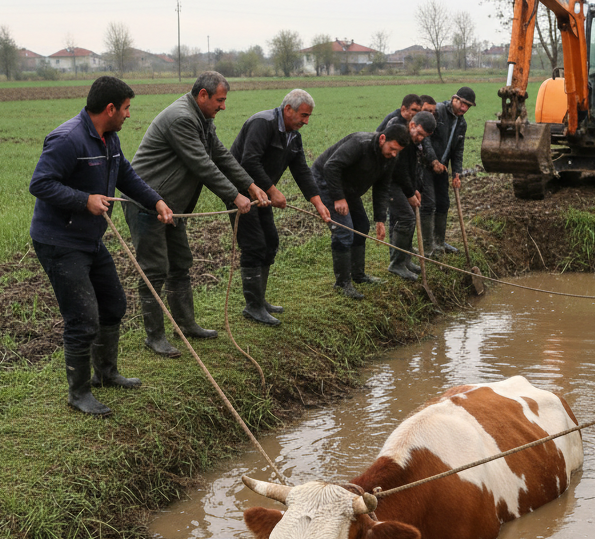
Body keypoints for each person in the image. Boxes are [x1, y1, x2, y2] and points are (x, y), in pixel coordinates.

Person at [29, 76, 174, 416]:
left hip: (89, 239)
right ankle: (78, 394)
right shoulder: (69, 140)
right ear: (110, 109)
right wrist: (85, 200)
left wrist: (155, 202)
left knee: (113, 305)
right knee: (82, 318)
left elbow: (126, 175)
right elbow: (40, 183)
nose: (128, 115)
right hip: (60, 241)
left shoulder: (110, 140)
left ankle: (106, 374)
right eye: (126, 109)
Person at [124, 72, 269, 357]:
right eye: (220, 100)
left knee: (180, 263)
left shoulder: (203, 120)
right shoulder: (182, 119)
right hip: (147, 203)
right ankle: (155, 337)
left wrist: (251, 185)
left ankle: (186, 325)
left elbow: (221, 156)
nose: (223, 106)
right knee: (154, 269)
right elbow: (202, 164)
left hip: (173, 205)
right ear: (203, 95)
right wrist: (235, 195)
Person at [228, 89, 330, 326]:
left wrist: (317, 202)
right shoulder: (262, 123)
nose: (306, 121)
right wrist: (273, 191)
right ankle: (252, 307)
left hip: (262, 193)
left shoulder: (294, 135)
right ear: (288, 110)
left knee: (271, 240)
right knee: (254, 245)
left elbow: (301, 170)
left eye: (308, 117)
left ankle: (260, 300)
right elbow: (248, 161)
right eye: (303, 115)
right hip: (241, 193)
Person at [311, 123, 415, 299]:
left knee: (361, 226)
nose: (394, 154)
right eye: (392, 148)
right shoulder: (360, 143)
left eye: (398, 151)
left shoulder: (390, 158)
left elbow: (382, 187)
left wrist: (380, 219)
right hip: (326, 182)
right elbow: (331, 167)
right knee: (343, 230)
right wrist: (338, 197)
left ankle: (358, 275)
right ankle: (342, 283)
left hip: (349, 187)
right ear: (383, 139)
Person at [383, 111, 434, 280]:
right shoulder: (402, 137)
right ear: (412, 125)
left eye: (424, 136)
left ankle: (405, 260)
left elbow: (413, 169)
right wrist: (409, 193)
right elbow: (400, 170)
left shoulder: (414, 142)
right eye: (419, 133)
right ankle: (396, 264)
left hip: (402, 183)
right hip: (390, 182)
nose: (420, 138)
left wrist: (415, 189)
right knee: (406, 218)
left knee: (407, 217)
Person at [425, 86, 475, 256]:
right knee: (429, 203)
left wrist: (456, 174)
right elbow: (425, 139)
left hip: (443, 168)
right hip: (426, 166)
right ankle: (428, 245)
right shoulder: (437, 111)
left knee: (443, 203)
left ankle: (439, 241)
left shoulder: (462, 123)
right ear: (455, 99)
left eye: (468, 106)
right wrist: (433, 160)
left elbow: (458, 150)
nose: (465, 109)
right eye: (463, 104)